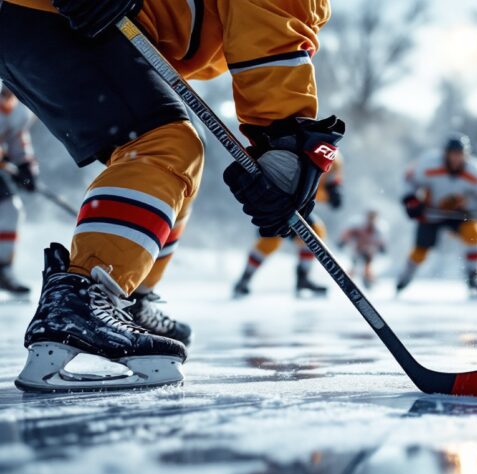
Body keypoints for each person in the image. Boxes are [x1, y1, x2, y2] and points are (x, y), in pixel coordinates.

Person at [0, 0, 343, 391]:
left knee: (177, 149)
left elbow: (261, 28)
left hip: (48, 19)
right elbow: (270, 30)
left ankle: (132, 299)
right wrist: (285, 137)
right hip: (51, 14)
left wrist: (281, 140)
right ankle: (80, 303)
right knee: (163, 144)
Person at [397, 133, 477, 297]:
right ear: (445, 153)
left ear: (466, 155)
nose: (456, 158)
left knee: (475, 233)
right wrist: (411, 200)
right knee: (421, 249)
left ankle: (474, 276)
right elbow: (409, 179)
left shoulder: (476, 169)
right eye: (452, 154)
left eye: (460, 154)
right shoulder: (428, 164)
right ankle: (405, 276)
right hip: (431, 213)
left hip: (461, 215)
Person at [233, 152, 343, 298]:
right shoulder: (319, 149)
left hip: (297, 204)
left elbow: (330, 184)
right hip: (281, 195)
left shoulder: (334, 159)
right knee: (270, 239)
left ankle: (302, 278)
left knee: (314, 232)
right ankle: (245, 278)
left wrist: (333, 193)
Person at [0, 84, 37, 296]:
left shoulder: (18, 108)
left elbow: (17, 137)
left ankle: (3, 270)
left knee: (10, 210)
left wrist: (25, 166)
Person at [338, 209, 386, 289]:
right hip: (358, 250)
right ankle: (346, 279)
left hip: (369, 252)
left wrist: (382, 247)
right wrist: (343, 241)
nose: (371, 220)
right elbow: (348, 233)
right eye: (370, 217)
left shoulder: (378, 230)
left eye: (373, 218)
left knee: (368, 266)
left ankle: (368, 280)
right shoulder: (360, 227)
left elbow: (381, 240)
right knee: (355, 265)